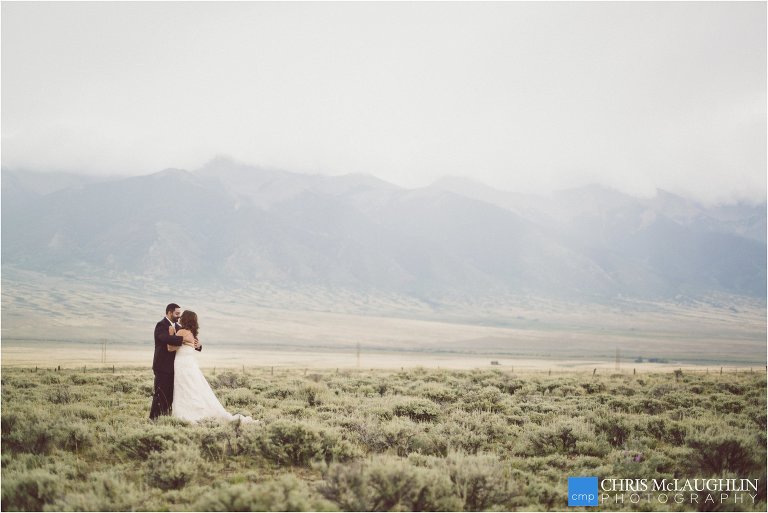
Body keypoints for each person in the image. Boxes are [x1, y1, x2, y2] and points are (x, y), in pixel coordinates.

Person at [170, 310, 255, 423]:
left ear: (184, 319)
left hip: (182, 364)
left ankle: (187, 414)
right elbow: (194, 346)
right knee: (193, 388)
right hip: (190, 365)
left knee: (183, 388)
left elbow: (171, 348)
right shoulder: (191, 333)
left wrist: (171, 334)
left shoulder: (182, 332)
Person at [149, 303, 200, 420]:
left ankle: (166, 417)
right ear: (169, 312)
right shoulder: (161, 325)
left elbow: (191, 341)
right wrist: (183, 339)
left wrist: (198, 345)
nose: (179, 316)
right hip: (162, 366)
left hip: (176, 367)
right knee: (160, 393)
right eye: (177, 313)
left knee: (171, 395)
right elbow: (165, 338)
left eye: (180, 314)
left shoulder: (178, 327)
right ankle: (153, 419)